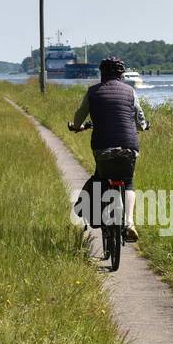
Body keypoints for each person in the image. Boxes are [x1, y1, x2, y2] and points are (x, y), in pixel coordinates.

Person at [66, 56, 148, 241]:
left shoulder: (93, 92)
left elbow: (78, 118)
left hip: (102, 147)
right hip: (129, 146)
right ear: (122, 75)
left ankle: (96, 212)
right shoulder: (130, 92)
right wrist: (143, 126)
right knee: (127, 182)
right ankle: (128, 223)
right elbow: (140, 119)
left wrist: (77, 126)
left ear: (101, 73)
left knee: (102, 177)